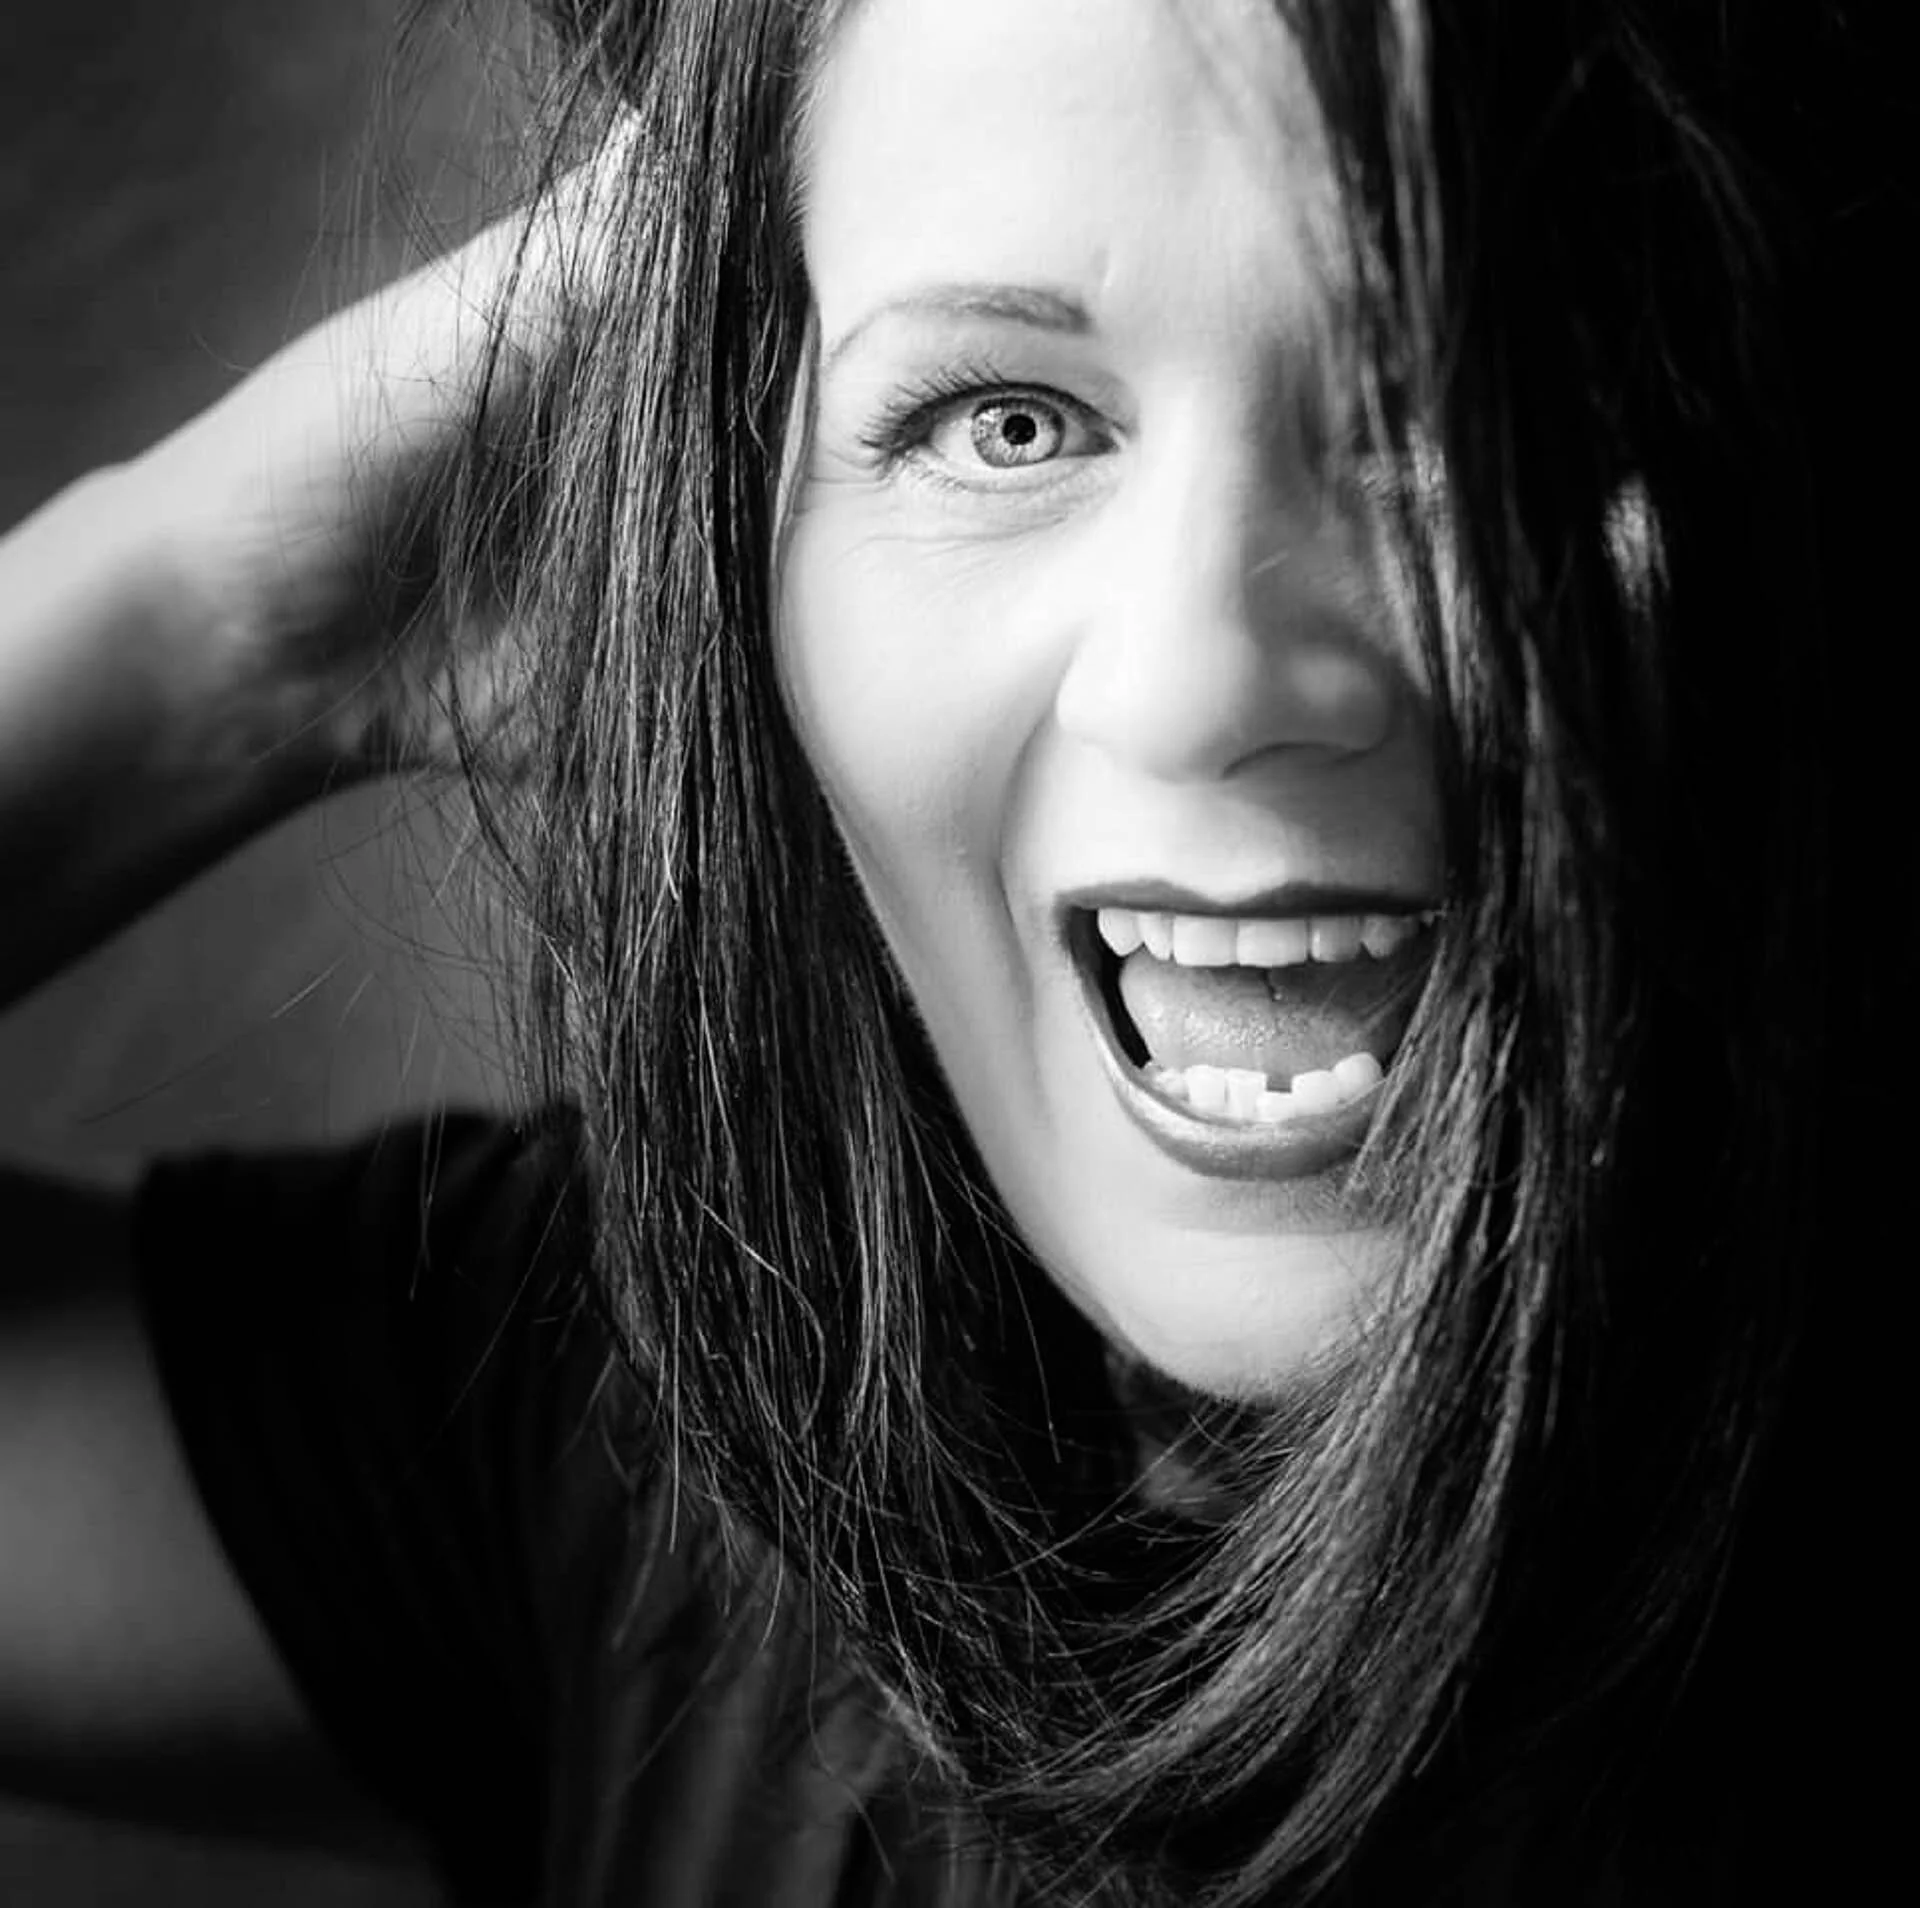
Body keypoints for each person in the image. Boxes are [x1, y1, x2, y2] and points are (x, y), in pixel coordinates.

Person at [0, 0, 1905, 1902]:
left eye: (1479, 407)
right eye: (1006, 421)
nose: (1193, 681)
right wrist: (226, 630)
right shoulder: (643, 1455)